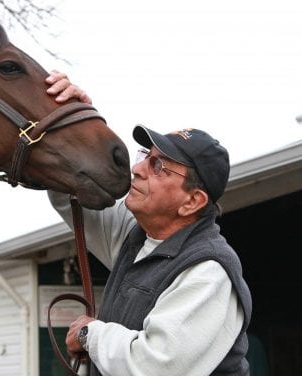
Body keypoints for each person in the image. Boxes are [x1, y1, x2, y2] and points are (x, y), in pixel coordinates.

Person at [44, 71, 253, 375]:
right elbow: (69, 194)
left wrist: (91, 334)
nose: (137, 168)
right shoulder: (136, 237)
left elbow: (156, 365)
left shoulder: (208, 270)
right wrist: (67, 119)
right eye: (145, 156)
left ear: (192, 201)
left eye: (159, 166)